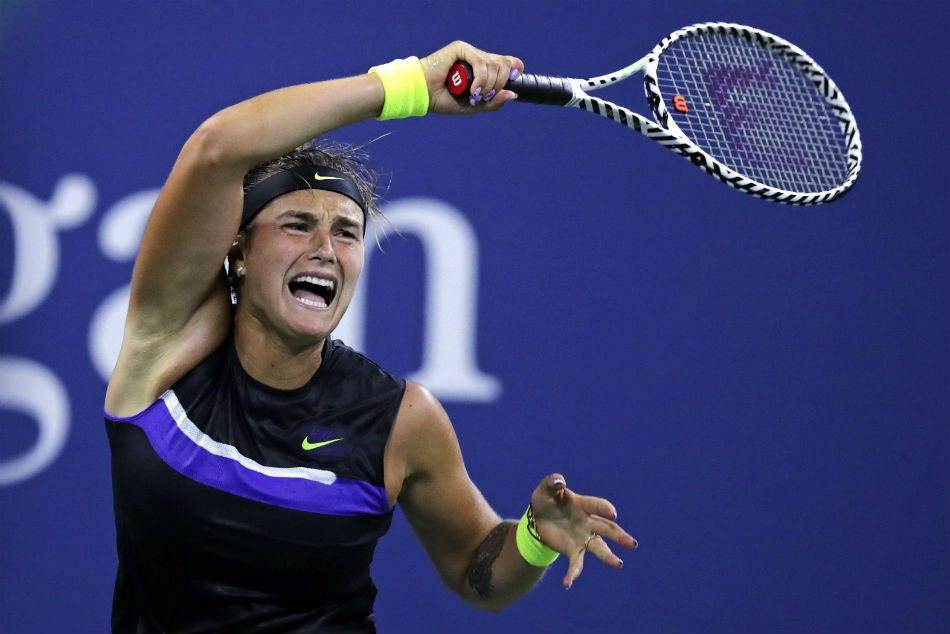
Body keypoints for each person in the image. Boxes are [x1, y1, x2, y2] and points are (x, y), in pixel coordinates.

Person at [103, 40, 636, 633]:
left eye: (346, 233)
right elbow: (217, 148)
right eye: (297, 224)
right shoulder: (166, 350)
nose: (325, 251)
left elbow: (475, 572)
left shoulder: (402, 419)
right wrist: (411, 86)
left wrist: (534, 538)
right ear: (240, 254)